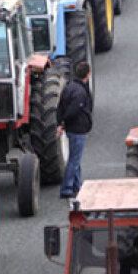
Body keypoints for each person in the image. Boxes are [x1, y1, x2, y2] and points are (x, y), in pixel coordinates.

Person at [57, 61, 92, 198]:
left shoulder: (69, 88)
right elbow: (74, 110)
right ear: (87, 74)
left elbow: (60, 106)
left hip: (71, 129)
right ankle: (67, 188)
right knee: (74, 160)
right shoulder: (81, 92)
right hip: (78, 129)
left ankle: (77, 185)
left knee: (75, 158)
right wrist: (64, 121)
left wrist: (60, 122)